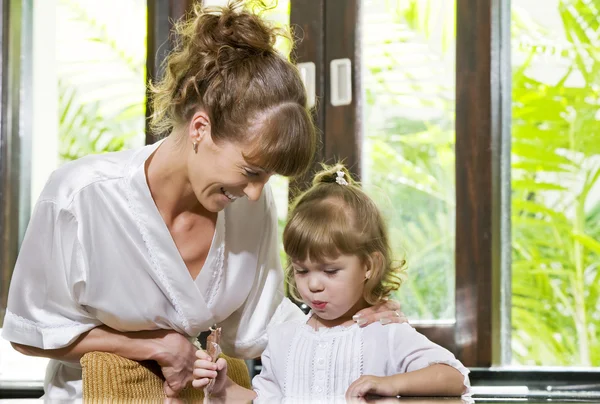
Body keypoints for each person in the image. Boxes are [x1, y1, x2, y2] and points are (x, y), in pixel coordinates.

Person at [1, 1, 405, 399]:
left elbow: (263, 329)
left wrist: (361, 320)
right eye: (250, 171)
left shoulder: (249, 205)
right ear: (200, 128)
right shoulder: (80, 197)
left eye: (267, 179)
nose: (255, 193)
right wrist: (152, 346)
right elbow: (30, 333)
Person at [192, 164, 471, 401]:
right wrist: (224, 390)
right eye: (302, 271)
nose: (313, 285)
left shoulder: (385, 332)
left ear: (368, 266)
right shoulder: (282, 337)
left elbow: (455, 377)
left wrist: (390, 384)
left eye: (330, 271)